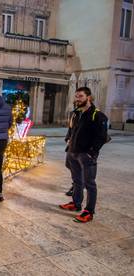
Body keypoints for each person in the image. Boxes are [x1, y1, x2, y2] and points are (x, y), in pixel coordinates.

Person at [59, 87, 109, 223]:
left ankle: (89, 211)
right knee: (77, 181)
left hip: (86, 155)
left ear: (89, 97)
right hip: (73, 152)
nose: (77, 99)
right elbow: (71, 129)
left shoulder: (98, 115)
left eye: (80, 96)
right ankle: (76, 204)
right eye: (76, 96)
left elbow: (102, 137)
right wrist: (68, 141)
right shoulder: (76, 113)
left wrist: (91, 152)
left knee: (90, 183)